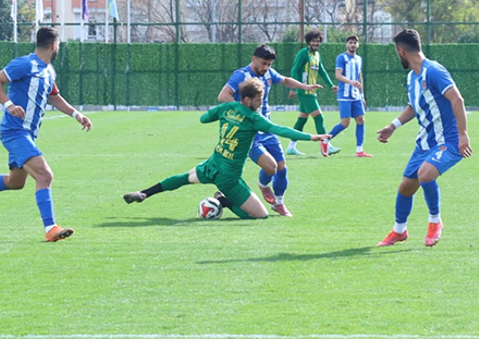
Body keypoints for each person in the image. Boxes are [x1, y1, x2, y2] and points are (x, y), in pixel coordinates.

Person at [123, 78, 330, 219]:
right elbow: (280, 130)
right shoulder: (253, 118)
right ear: (247, 99)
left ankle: (144, 193)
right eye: (258, 99)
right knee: (260, 215)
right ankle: (223, 199)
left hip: (213, 163)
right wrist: (312, 137)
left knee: (184, 178)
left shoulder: (227, 107)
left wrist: (221, 113)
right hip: (229, 178)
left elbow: (204, 118)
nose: (260, 103)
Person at [0, 27, 92, 243]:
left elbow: (54, 97)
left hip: (27, 134)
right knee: (45, 175)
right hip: (14, 132)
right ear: (54, 46)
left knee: (16, 182)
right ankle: (50, 228)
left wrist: (76, 114)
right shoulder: (24, 64)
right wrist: (9, 104)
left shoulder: (49, 71)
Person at [375, 29, 472, 247]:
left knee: (425, 174)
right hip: (425, 143)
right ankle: (399, 231)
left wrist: (463, 134)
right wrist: (393, 126)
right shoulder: (412, 77)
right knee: (406, 187)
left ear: (401, 51)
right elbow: (414, 107)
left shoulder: (434, 71)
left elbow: (457, 99)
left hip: (449, 141)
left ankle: (435, 222)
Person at [217, 44, 322, 217]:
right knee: (271, 167)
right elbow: (223, 96)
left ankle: (279, 203)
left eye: (269, 65)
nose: (266, 68)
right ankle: (262, 184)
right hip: (248, 133)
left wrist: (305, 87)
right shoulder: (241, 75)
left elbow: (285, 80)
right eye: (263, 63)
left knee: (282, 168)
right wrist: (244, 112)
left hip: (266, 129)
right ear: (254, 59)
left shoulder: (268, 73)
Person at [285, 28, 341, 157]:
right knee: (319, 117)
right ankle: (327, 144)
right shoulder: (303, 53)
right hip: (304, 91)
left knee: (301, 120)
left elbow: (322, 71)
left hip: (311, 91)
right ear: (308, 42)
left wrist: (331, 85)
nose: (316, 44)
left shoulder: (317, 55)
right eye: (313, 41)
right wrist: (294, 88)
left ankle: (291, 147)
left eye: (318, 41)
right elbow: (295, 70)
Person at [327, 35, 372, 158]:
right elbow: (338, 75)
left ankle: (359, 150)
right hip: (345, 95)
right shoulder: (342, 58)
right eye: (350, 42)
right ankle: (325, 140)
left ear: (358, 45)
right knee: (345, 123)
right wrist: (351, 82)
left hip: (356, 96)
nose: (353, 45)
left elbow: (359, 76)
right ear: (346, 44)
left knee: (361, 120)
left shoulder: (358, 59)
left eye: (355, 43)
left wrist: (362, 95)